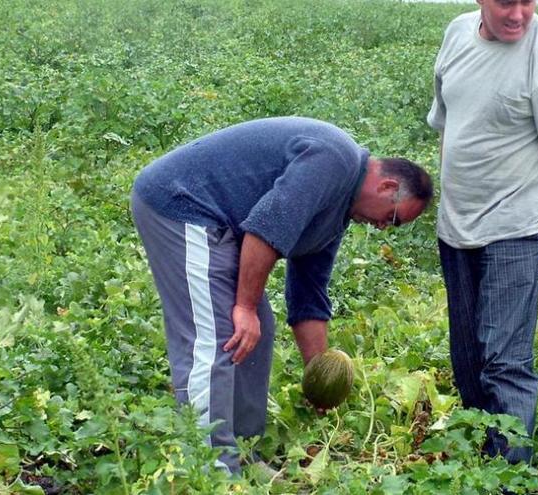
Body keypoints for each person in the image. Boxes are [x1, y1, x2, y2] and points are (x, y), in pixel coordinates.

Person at [130, 116, 433, 474]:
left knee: (257, 334)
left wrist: (318, 374)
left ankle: (243, 452)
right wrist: (244, 306)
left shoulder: (339, 207)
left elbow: (308, 292)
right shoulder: (333, 160)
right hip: (181, 206)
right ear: (386, 186)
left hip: (221, 224)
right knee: (216, 338)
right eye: (393, 219)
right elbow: (265, 229)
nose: (384, 228)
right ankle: (210, 469)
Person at [427, 0, 538, 463]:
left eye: (528, 0)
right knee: (468, 360)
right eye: (506, 1)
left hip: (517, 232)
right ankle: (481, 463)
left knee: (504, 364)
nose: (519, 13)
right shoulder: (457, 35)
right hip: (457, 230)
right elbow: (448, 125)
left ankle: (512, 479)